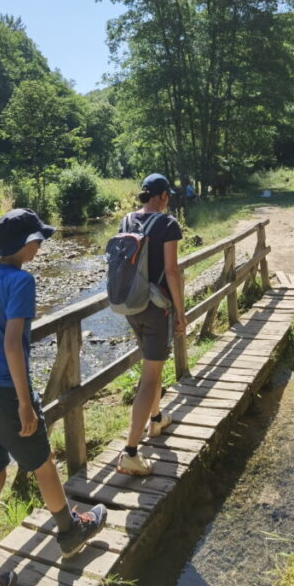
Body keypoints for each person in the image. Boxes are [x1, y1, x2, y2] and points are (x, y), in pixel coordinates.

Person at [0, 207, 107, 586]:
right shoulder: (22, 281)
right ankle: (70, 532)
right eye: (38, 240)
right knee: (42, 463)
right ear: (25, 245)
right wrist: (25, 403)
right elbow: (12, 346)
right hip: (6, 392)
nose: (41, 246)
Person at [116, 174, 187, 476]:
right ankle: (131, 452)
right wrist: (181, 313)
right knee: (149, 377)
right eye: (167, 195)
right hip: (157, 309)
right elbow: (171, 271)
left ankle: (156, 419)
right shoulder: (168, 224)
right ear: (161, 196)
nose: (168, 200)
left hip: (131, 305)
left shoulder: (127, 221)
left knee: (152, 365)